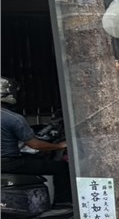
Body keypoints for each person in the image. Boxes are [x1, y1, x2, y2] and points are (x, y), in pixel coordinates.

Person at [0, 75, 72, 206]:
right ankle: (62, 204)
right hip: (9, 163)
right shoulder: (14, 118)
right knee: (61, 167)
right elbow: (35, 144)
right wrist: (59, 146)